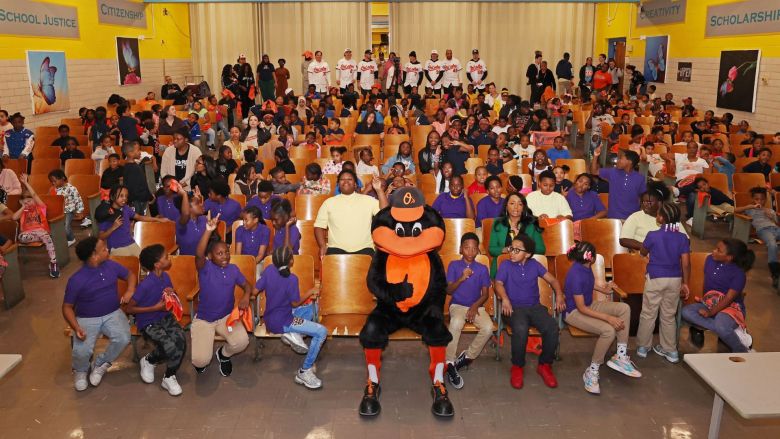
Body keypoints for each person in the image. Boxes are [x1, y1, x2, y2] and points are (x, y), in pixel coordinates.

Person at [563, 241, 640, 394]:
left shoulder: (585, 266)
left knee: (624, 308)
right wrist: (608, 318)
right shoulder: (575, 274)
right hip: (574, 312)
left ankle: (620, 356)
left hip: (589, 305)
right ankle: (592, 370)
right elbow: (581, 308)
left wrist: (604, 289)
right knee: (609, 331)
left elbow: (589, 283)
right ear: (591, 258)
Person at [63, 237, 133, 391]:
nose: (107, 250)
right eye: (103, 249)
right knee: (82, 351)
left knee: (123, 338)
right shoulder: (77, 279)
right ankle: (81, 371)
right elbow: (67, 307)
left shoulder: (111, 265)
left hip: (113, 313)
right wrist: (76, 327)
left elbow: (130, 275)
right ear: (94, 255)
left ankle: (101, 363)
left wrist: (130, 290)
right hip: (87, 318)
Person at [495, 234, 564, 390]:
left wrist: (559, 295)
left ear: (527, 254)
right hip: (513, 308)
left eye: (517, 250)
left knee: (552, 327)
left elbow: (553, 280)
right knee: (521, 328)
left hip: (534, 307)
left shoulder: (534, 265)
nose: (512, 252)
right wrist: (505, 299)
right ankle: (517, 366)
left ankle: (545, 365)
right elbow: (498, 283)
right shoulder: (506, 265)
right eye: (511, 248)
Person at [256, 246, 327, 389]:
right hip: (284, 322)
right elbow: (295, 303)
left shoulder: (269, 270)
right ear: (291, 261)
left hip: (272, 319)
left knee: (314, 308)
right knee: (321, 332)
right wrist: (310, 292)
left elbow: (255, 290)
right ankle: (304, 371)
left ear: (274, 260)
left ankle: (294, 333)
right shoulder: (292, 279)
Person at [192, 212, 252, 377]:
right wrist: (208, 230)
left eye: (226, 252)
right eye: (219, 254)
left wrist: (246, 295)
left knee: (242, 342)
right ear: (210, 256)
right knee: (200, 361)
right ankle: (203, 358)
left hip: (226, 317)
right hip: (205, 319)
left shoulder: (233, 269)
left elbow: (247, 285)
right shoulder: (206, 268)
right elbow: (198, 255)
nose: (225, 256)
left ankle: (223, 355)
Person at [126, 244, 187, 396]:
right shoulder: (145, 285)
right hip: (148, 322)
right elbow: (129, 309)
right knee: (169, 347)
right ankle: (149, 360)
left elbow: (170, 298)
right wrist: (154, 308)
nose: (169, 258)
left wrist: (172, 292)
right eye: (166, 257)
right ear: (157, 264)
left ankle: (169, 376)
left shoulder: (166, 276)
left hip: (164, 317)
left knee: (181, 341)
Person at [636, 203, 690, 364]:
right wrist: (686, 283)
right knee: (668, 315)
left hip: (655, 277)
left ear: (661, 218)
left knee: (648, 313)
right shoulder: (682, 237)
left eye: (658, 214)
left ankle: (643, 347)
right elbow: (686, 263)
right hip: (675, 279)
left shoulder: (653, 235)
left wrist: (646, 254)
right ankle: (671, 350)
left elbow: (643, 252)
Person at [682, 239, 755, 352]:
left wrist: (710, 313)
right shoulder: (710, 259)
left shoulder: (739, 274)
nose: (714, 251)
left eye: (719, 250)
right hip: (709, 303)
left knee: (721, 324)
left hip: (730, 307)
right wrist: (706, 302)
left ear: (729, 257)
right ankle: (731, 332)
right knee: (686, 312)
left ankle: (742, 350)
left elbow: (729, 298)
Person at [443, 233, 493, 389]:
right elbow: (449, 290)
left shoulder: (482, 268)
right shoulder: (454, 265)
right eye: (466, 248)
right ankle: (449, 362)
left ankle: (467, 357)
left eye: (474, 248)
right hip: (457, 305)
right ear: (460, 249)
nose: (470, 251)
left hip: (476, 306)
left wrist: (474, 306)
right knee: (456, 322)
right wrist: (461, 278)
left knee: (488, 328)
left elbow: (485, 294)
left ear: (478, 250)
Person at [314, 170, 387, 256]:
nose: (346, 181)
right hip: (336, 249)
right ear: (338, 184)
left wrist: (379, 190)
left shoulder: (368, 200)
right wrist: (322, 246)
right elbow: (319, 226)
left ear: (355, 184)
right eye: (342, 179)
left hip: (365, 249)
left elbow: (385, 212)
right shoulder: (328, 203)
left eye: (349, 179)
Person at [96, 184, 169, 257]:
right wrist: (113, 227)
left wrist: (158, 219)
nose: (124, 199)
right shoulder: (107, 212)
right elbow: (101, 236)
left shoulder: (125, 208)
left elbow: (139, 217)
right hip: (117, 248)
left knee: (145, 261)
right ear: (112, 197)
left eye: (126, 196)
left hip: (131, 244)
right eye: (121, 196)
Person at [488, 193, 545, 277]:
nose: (516, 207)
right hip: (503, 266)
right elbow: (492, 249)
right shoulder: (498, 223)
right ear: (506, 206)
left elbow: (541, 249)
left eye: (520, 204)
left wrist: (523, 250)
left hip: (525, 267)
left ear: (523, 207)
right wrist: (506, 249)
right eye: (512, 203)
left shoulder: (531, 224)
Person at [734, 187, 780, 286]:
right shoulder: (750, 210)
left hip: (775, 229)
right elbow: (736, 210)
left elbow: (777, 223)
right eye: (757, 199)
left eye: (762, 199)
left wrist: (772, 217)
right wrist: (748, 206)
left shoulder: (770, 210)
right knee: (772, 245)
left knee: (773, 244)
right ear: (753, 199)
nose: (759, 201)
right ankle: (775, 273)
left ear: (765, 200)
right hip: (764, 230)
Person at [15, 175, 59, 277]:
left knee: (47, 238)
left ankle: (53, 262)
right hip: (28, 234)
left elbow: (34, 195)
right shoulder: (24, 211)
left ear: (34, 200)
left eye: (29, 201)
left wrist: (26, 183)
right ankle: (40, 237)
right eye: (25, 202)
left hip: (41, 231)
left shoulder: (41, 207)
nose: (28, 203)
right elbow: (14, 217)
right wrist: (23, 207)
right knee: (21, 237)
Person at [590, 147, 645, 220]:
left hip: (632, 219)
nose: (617, 161)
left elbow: (642, 198)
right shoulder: (613, 172)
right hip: (614, 217)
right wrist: (595, 155)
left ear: (629, 162)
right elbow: (594, 171)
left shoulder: (640, 178)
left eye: (621, 158)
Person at [48, 169, 84, 246]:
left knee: (66, 226)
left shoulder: (72, 188)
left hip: (69, 211)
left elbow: (78, 199)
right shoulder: (55, 189)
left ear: (62, 178)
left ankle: (71, 239)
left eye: (55, 181)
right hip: (59, 211)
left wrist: (79, 211)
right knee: (56, 225)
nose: (53, 183)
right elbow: (52, 200)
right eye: (52, 182)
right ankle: (60, 238)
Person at [235, 206, 270, 278]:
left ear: (255, 220)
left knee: (256, 273)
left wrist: (250, 265)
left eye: (246, 220)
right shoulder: (239, 230)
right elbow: (238, 253)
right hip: (243, 261)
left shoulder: (265, 230)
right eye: (243, 220)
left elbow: (260, 255)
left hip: (259, 262)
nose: (244, 223)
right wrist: (242, 264)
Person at [120, 141, 154, 215]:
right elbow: (141, 185)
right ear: (131, 153)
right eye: (138, 150)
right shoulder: (134, 169)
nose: (140, 152)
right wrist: (150, 197)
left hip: (136, 200)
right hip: (138, 201)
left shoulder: (128, 167)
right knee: (139, 218)